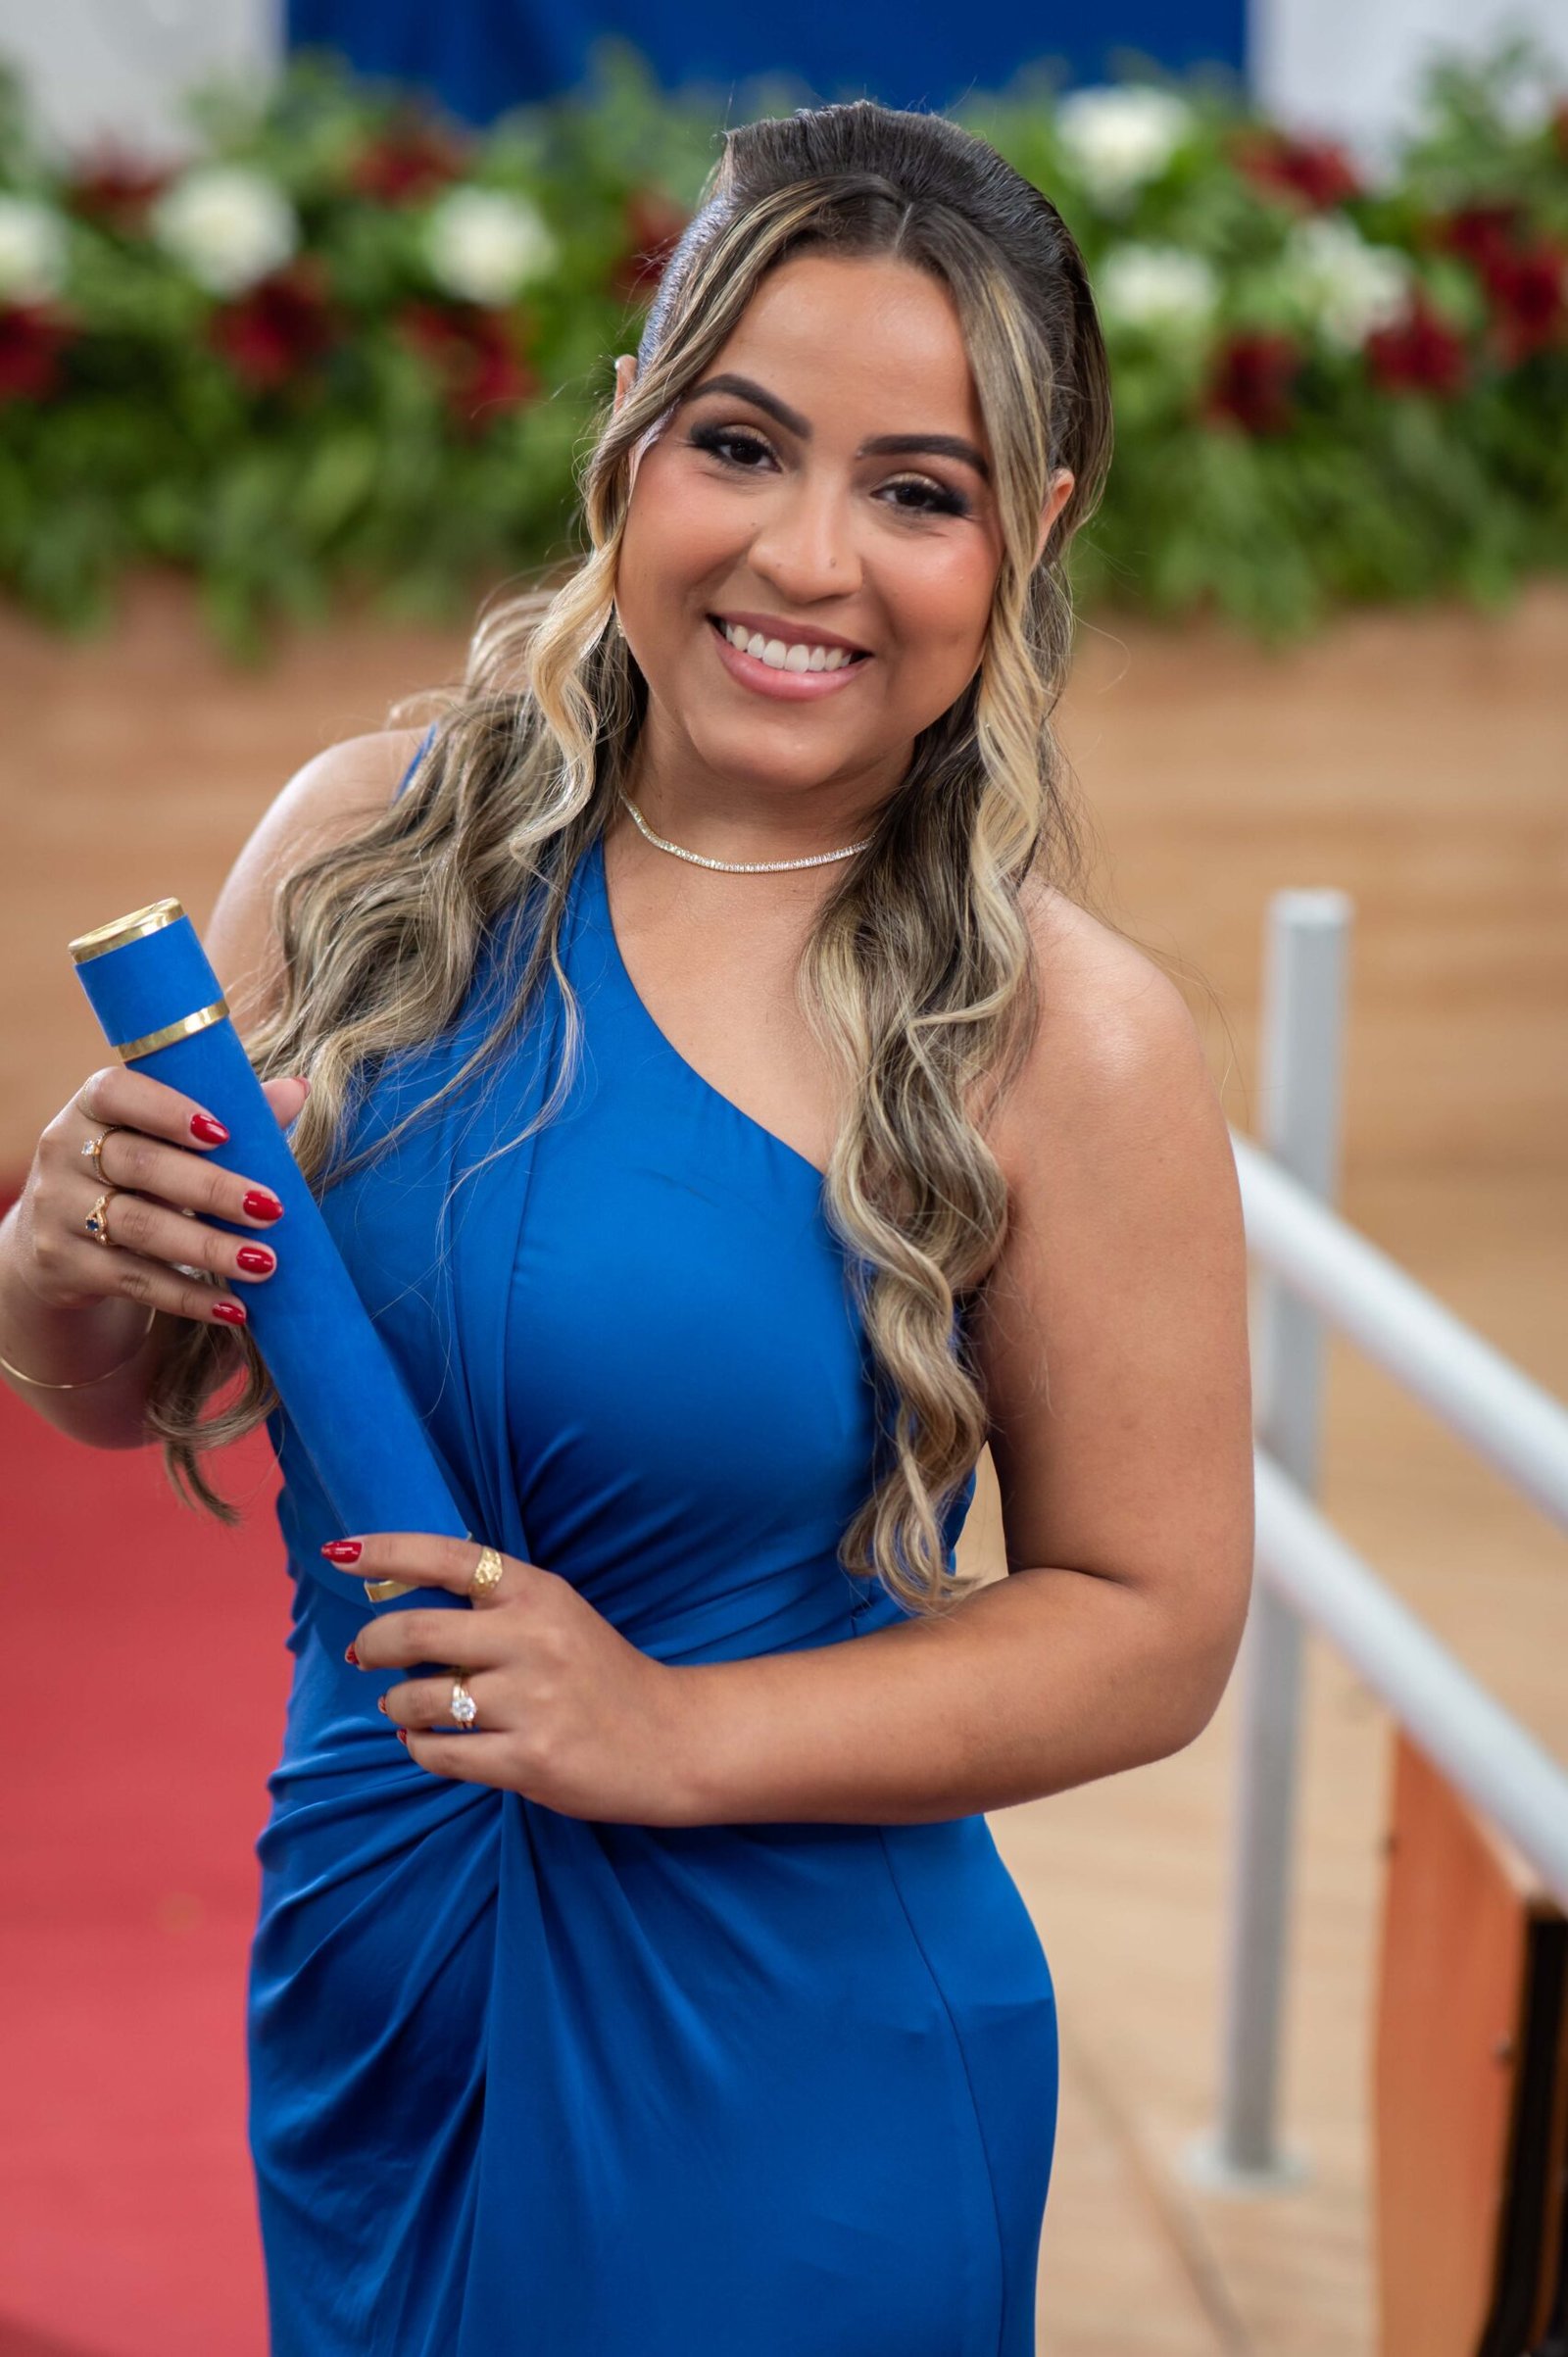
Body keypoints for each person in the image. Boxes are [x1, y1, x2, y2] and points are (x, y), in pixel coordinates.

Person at [0, 99, 1253, 2356]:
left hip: (785, 2063)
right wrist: (56, 1260)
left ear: (1035, 528)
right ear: (628, 430)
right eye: (739, 445)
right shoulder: (366, 847)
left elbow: (1149, 1626)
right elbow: (134, 1386)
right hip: (371, 1971)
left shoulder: (1062, 1035)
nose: (803, 557)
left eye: (918, 490)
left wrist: (671, 1732)